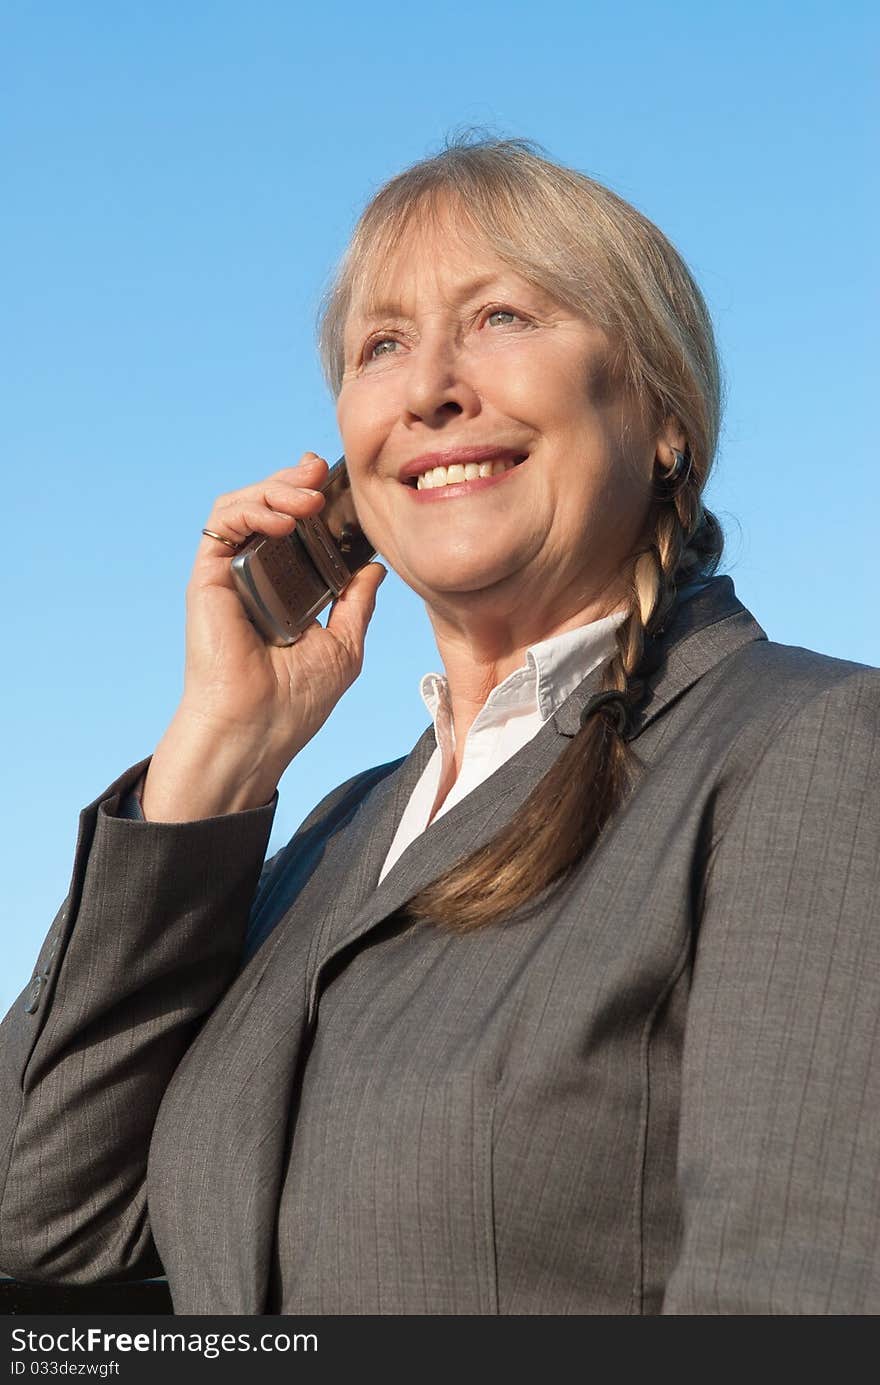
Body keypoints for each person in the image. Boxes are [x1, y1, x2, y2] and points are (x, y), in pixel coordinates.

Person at [1, 136, 878, 1317]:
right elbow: (41, 1219)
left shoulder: (808, 751)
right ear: (348, 481)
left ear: (666, 415)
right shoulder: (326, 836)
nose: (429, 390)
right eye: (383, 345)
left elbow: (795, 1298)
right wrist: (216, 756)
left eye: (504, 316)